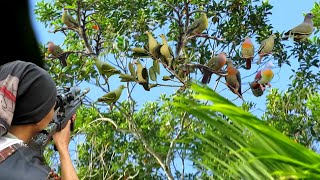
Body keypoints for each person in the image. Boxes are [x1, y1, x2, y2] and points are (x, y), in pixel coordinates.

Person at [0, 61, 79, 180]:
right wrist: (63, 148)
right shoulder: (33, 173)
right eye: (53, 104)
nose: (54, 108)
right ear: (38, 116)